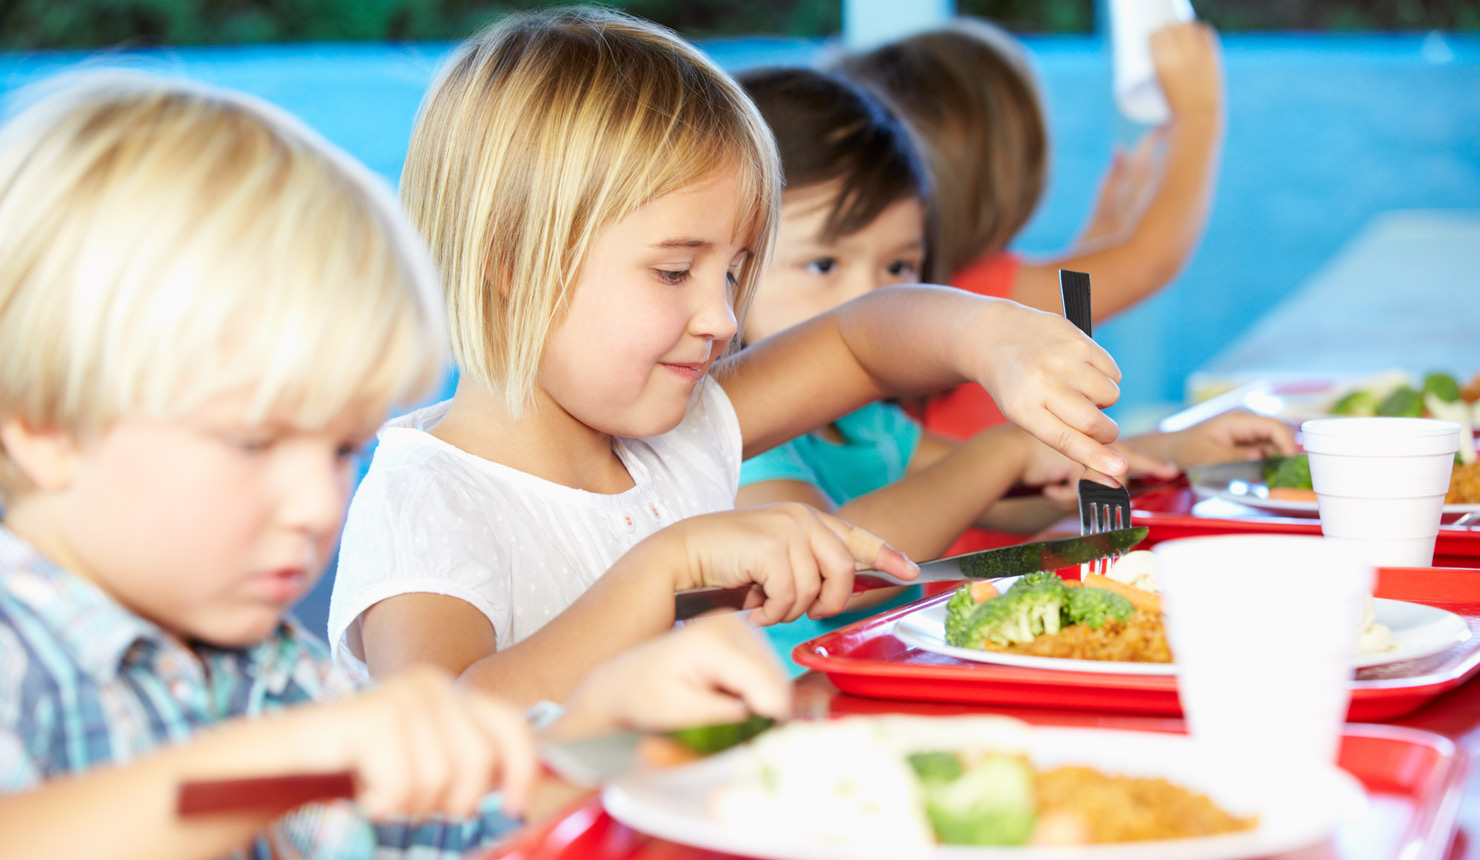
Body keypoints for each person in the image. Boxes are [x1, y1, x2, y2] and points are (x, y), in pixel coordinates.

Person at [0, 71, 793, 860]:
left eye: (342, 449)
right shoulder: (21, 658)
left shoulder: (271, 668)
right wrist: (278, 764)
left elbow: (455, 824)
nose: (318, 506)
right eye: (253, 443)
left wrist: (605, 732)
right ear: (44, 427)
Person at [330, 7, 1130, 706]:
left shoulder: (675, 436)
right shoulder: (428, 500)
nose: (720, 316)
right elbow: (444, 729)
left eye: (736, 272)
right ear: (510, 262)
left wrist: (989, 337)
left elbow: (861, 342)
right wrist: (665, 568)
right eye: (675, 272)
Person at [732, 67, 1294, 658]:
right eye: (824, 265)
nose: (872, 297)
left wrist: (1176, 452)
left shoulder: (864, 423)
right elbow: (839, 576)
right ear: (730, 264)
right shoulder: (737, 439)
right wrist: (999, 452)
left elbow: (1010, 497)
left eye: (898, 267)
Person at [836, 17, 1225, 440]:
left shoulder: (916, 291)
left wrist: (1104, 232)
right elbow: (1150, 261)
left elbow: (1064, 304)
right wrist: (1199, 115)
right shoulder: (973, 294)